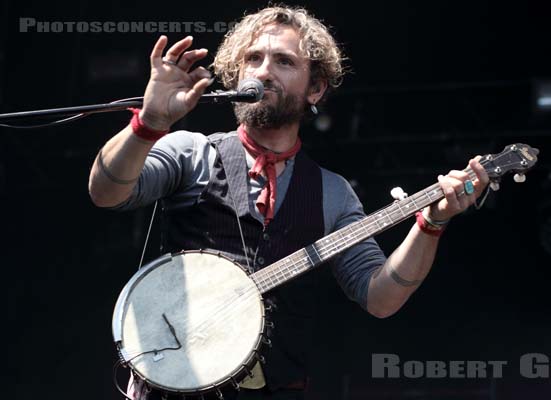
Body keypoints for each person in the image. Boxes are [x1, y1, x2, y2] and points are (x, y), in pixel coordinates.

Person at [88, 6, 489, 400]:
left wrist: (430, 225)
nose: (263, 71)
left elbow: (380, 298)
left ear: (315, 87)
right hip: (172, 387)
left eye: (283, 61)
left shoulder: (332, 193)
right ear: (236, 73)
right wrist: (150, 124)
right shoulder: (191, 153)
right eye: (253, 58)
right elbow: (106, 193)